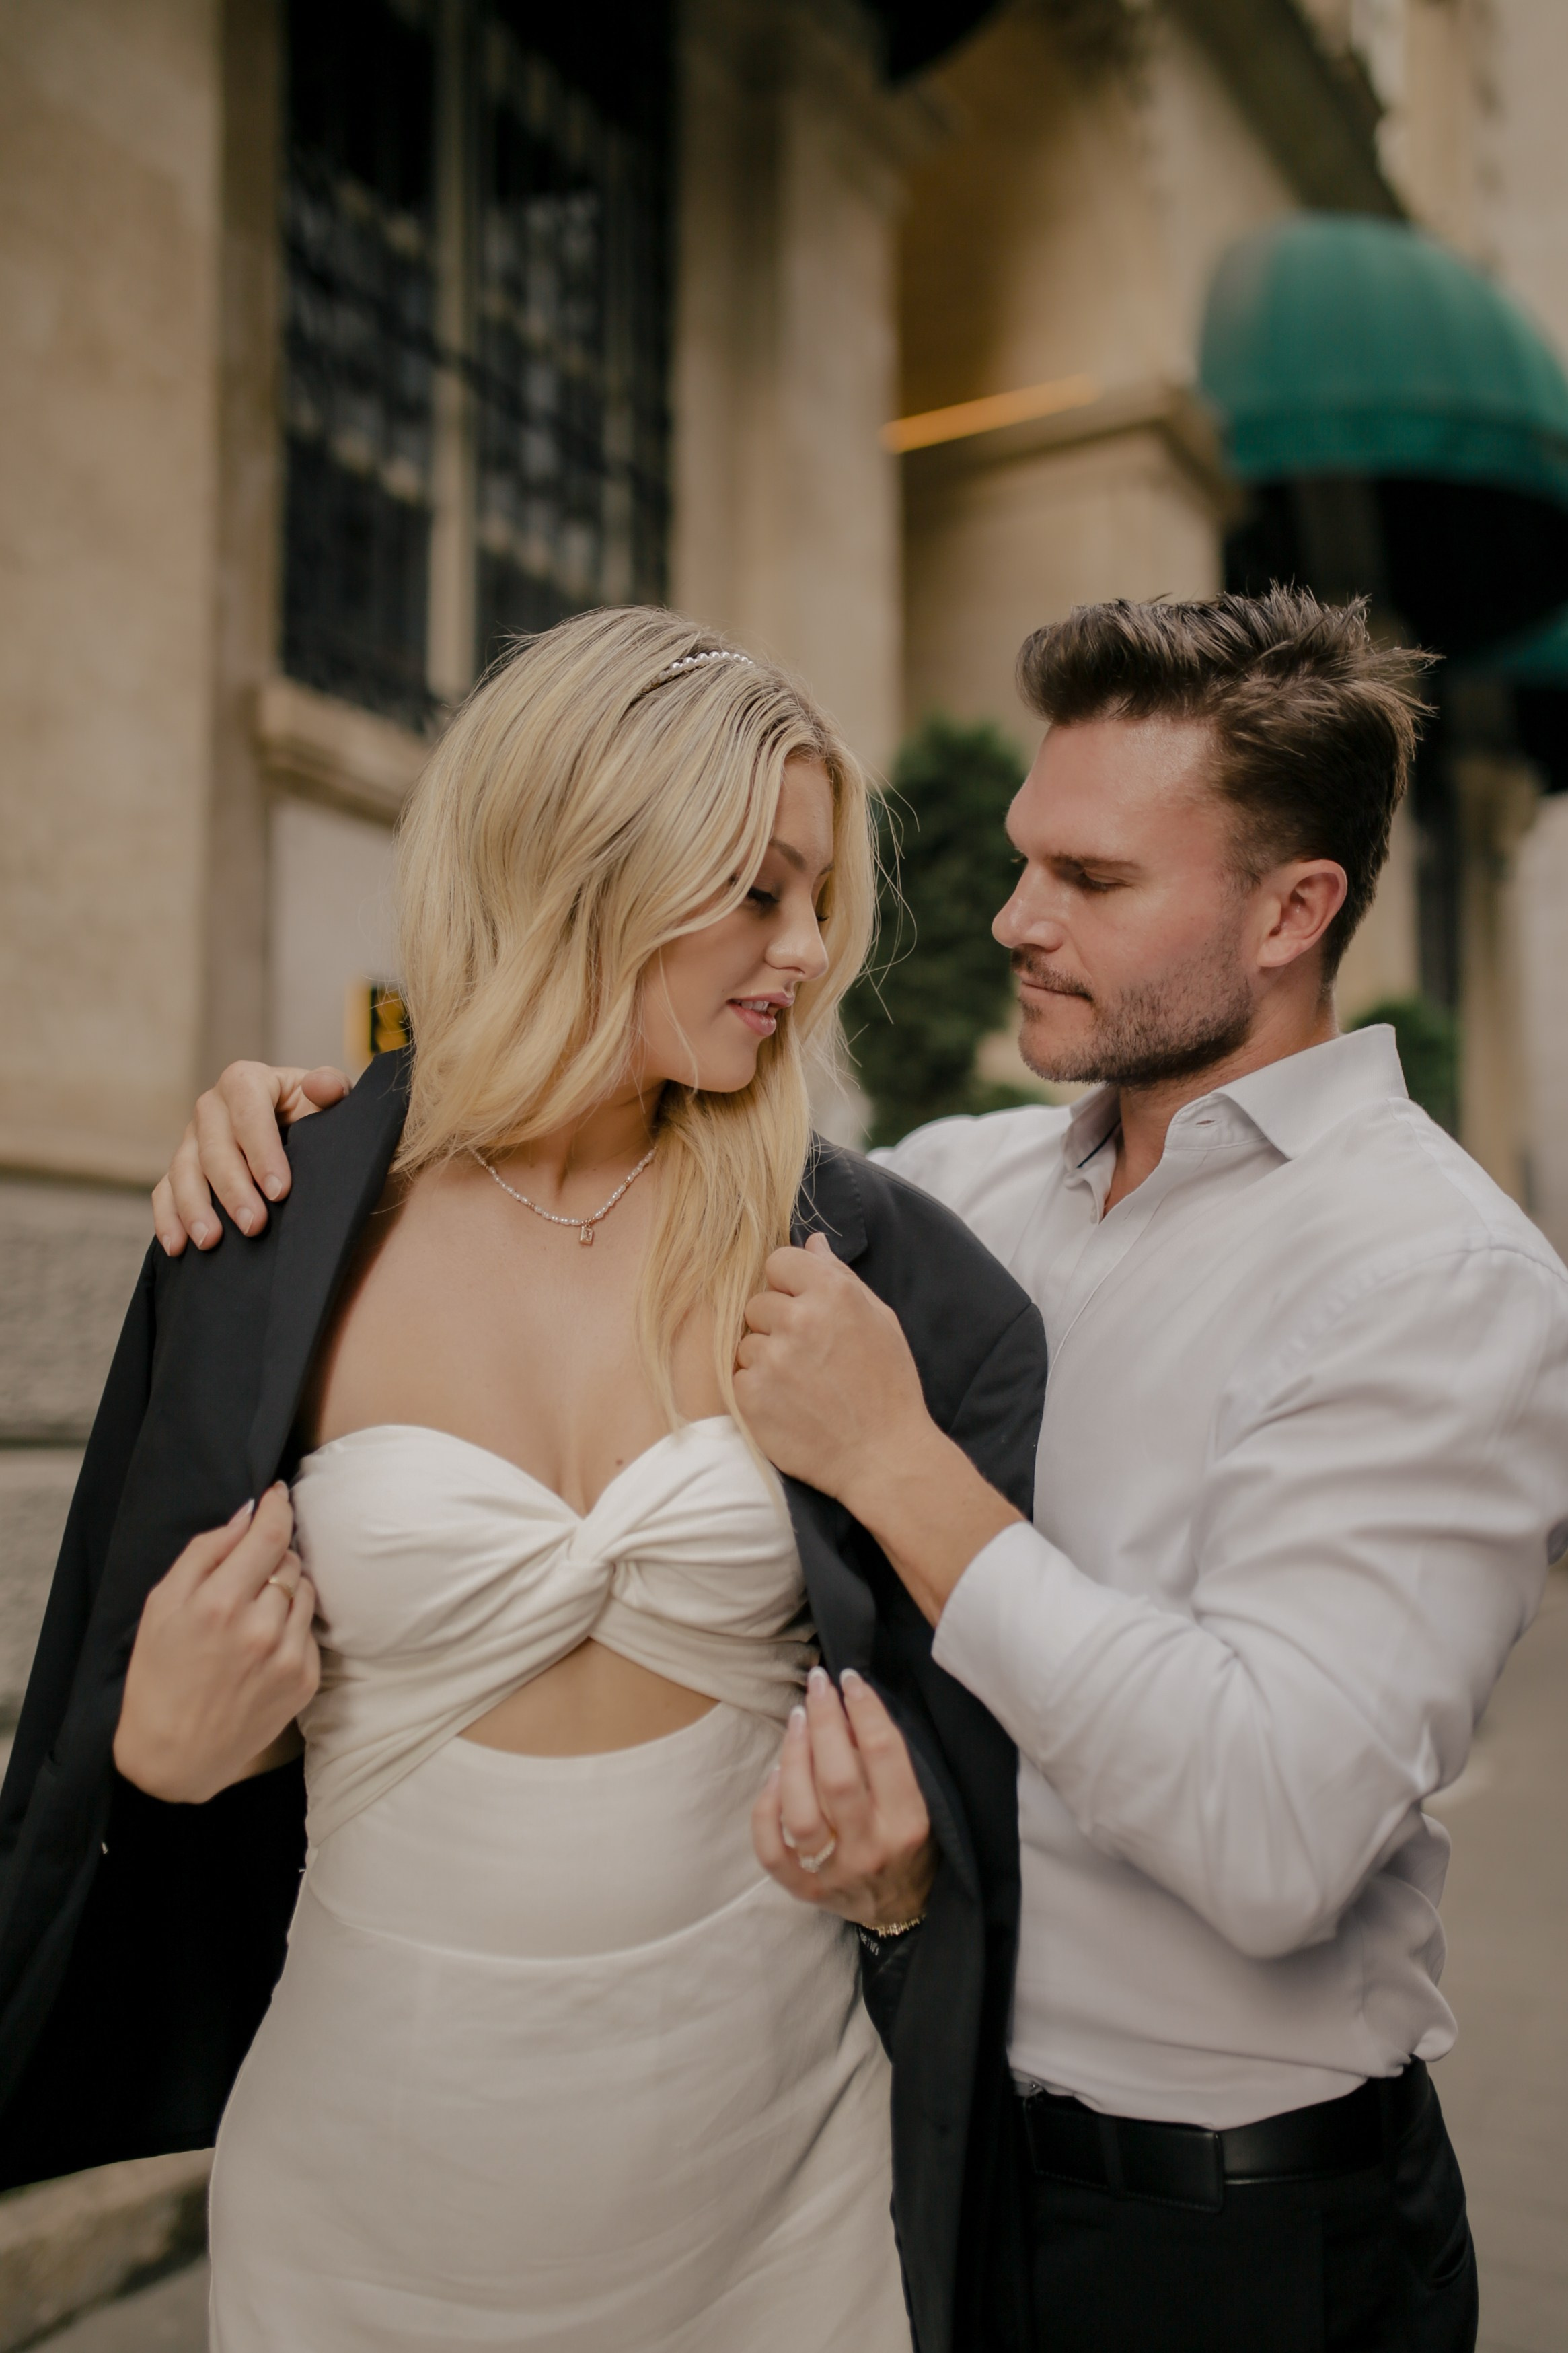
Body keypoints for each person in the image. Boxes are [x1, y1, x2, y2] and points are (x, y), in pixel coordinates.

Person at [166, 590, 1568, 2353]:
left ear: (1293, 910)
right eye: (1019, 858)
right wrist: (317, 1122)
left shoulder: (1432, 1277)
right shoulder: (956, 1196)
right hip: (920, 2151)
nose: (1008, 918)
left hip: (1228, 2227)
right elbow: (619, 1150)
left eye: (1093, 881)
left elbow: (1273, 1829)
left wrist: (899, 1464)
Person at [0, 609, 1046, 2353]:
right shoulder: (272, 1222)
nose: (803, 953)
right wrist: (155, 1760)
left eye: (819, 904)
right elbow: (98, 1725)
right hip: (366, 2199)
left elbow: (1001, 1715)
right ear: (589, 858)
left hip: (776, 2186)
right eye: (759, 891)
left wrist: (912, 1856)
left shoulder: (867, 1266)